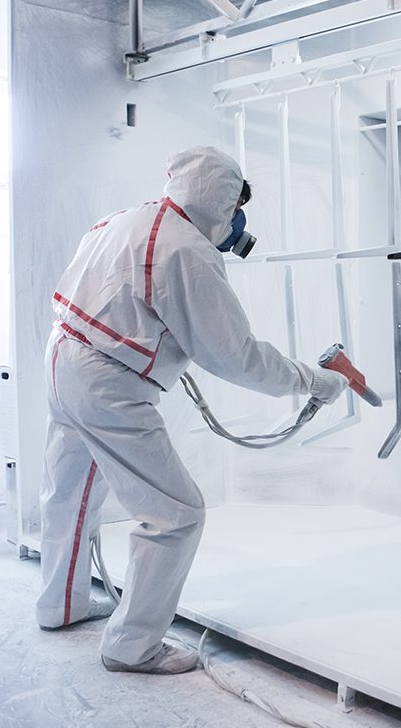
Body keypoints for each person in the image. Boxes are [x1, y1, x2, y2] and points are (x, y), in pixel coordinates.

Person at [35, 146, 346, 674]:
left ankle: (60, 607)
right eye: (235, 204)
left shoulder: (126, 217)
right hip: (107, 381)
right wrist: (313, 381)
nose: (238, 220)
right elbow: (236, 356)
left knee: (70, 493)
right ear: (220, 201)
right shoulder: (189, 253)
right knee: (175, 515)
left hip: (62, 356)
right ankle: (132, 647)